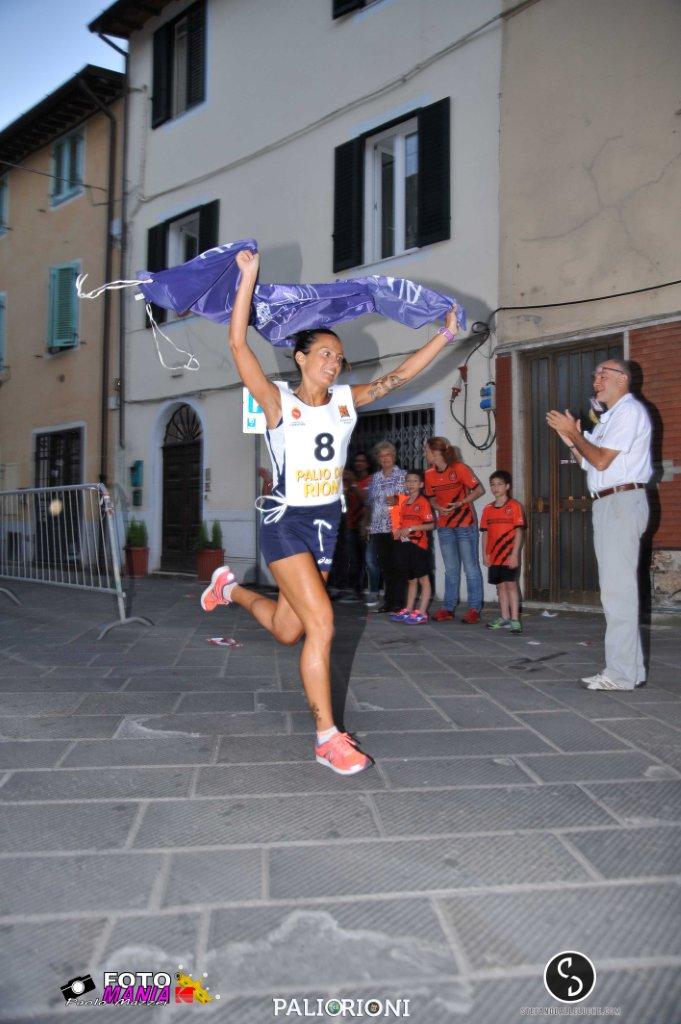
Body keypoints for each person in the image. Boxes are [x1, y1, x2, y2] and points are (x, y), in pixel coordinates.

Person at [201, 248, 461, 772]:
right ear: (301, 357)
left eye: (338, 357)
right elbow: (236, 341)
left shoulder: (345, 401)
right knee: (322, 625)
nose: (334, 361)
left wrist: (444, 335)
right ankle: (327, 738)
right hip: (286, 521)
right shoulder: (278, 402)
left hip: (325, 524)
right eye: (325, 353)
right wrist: (247, 279)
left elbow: (399, 379)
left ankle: (227, 588)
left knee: (286, 628)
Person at [546, 358, 652, 690]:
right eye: (595, 375)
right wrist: (573, 439)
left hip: (621, 501)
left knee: (617, 592)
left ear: (622, 379)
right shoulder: (611, 417)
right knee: (616, 591)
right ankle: (630, 671)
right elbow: (591, 465)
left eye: (602, 374)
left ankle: (620, 675)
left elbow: (602, 458)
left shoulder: (629, 412)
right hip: (609, 501)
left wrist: (575, 435)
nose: (596, 379)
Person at [424, 437, 485, 623]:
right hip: (444, 527)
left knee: (471, 568)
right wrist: (437, 507)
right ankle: (448, 608)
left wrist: (461, 502)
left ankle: (474, 608)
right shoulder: (428, 474)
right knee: (451, 570)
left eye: (426, 451)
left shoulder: (459, 468)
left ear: (436, 453)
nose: (424, 454)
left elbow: (479, 490)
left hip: (465, 525)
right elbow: (431, 498)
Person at [479, 470, 526, 634]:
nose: (495, 487)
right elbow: (485, 533)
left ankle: (515, 619)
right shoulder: (487, 509)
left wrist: (514, 554)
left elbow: (519, 532)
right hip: (494, 556)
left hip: (508, 556)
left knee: (511, 586)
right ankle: (504, 617)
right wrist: (485, 554)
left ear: (507, 486)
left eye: (499, 484)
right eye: (493, 484)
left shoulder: (514, 507)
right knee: (500, 588)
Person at [389, 470, 435, 624]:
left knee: (424, 579)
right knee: (411, 579)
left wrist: (410, 529)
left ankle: (422, 612)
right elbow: (401, 523)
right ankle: (408, 609)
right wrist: (399, 532)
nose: (411, 484)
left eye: (414, 481)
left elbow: (431, 525)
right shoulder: (405, 503)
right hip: (405, 545)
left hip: (419, 546)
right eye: (408, 481)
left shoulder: (423, 502)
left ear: (421, 484)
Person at [367, 442, 408, 613]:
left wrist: (398, 500)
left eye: (388, 455)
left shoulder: (403, 475)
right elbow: (371, 501)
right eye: (381, 456)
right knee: (385, 566)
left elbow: (409, 498)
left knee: (399, 564)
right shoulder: (375, 477)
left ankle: (400, 602)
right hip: (378, 527)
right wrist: (368, 524)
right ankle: (389, 602)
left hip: (396, 526)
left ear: (394, 456)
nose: (385, 459)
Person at [353, 452, 381, 605]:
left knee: (371, 560)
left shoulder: (372, 480)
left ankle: (375, 591)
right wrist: (365, 523)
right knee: (363, 560)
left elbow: (366, 500)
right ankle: (362, 589)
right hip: (360, 524)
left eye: (362, 461)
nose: (359, 464)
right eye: (357, 461)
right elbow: (368, 504)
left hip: (381, 526)